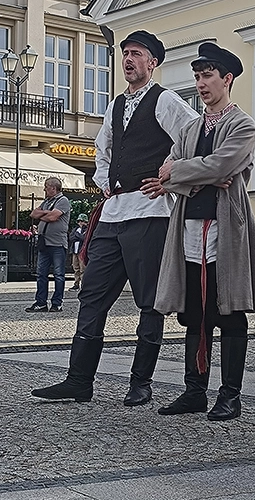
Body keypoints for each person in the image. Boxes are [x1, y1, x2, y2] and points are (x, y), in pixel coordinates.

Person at [32, 30, 198, 405]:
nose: (128, 60)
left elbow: (192, 136)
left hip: (150, 211)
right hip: (114, 212)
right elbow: (101, 148)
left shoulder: (166, 100)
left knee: (149, 300)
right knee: (92, 295)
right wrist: (105, 181)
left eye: (136, 54)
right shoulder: (114, 105)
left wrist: (170, 172)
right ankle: (79, 380)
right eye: (125, 53)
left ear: (152, 62)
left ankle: (140, 382)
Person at [150, 43, 255, 421]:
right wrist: (195, 176)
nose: (200, 83)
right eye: (197, 77)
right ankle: (194, 389)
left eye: (207, 76)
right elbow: (170, 169)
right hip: (189, 226)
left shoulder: (243, 124)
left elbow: (224, 163)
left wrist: (186, 173)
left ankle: (230, 394)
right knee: (194, 312)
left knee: (227, 309)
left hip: (225, 227)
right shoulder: (191, 127)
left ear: (226, 79)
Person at [25, 178, 71, 314]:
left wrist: (43, 214)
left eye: (46, 187)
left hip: (57, 244)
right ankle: (41, 303)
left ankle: (57, 303)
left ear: (53, 188)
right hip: (44, 243)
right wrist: (47, 213)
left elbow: (53, 218)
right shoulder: (46, 202)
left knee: (58, 275)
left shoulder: (63, 201)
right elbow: (33, 214)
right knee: (41, 274)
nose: (44, 189)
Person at [69, 215, 88, 290]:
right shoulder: (75, 229)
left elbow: (84, 238)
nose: (81, 223)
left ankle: (83, 284)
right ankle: (76, 283)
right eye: (80, 221)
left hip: (81, 251)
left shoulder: (86, 230)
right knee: (75, 268)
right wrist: (78, 236)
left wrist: (77, 235)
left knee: (82, 268)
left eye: (83, 221)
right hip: (75, 251)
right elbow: (71, 238)